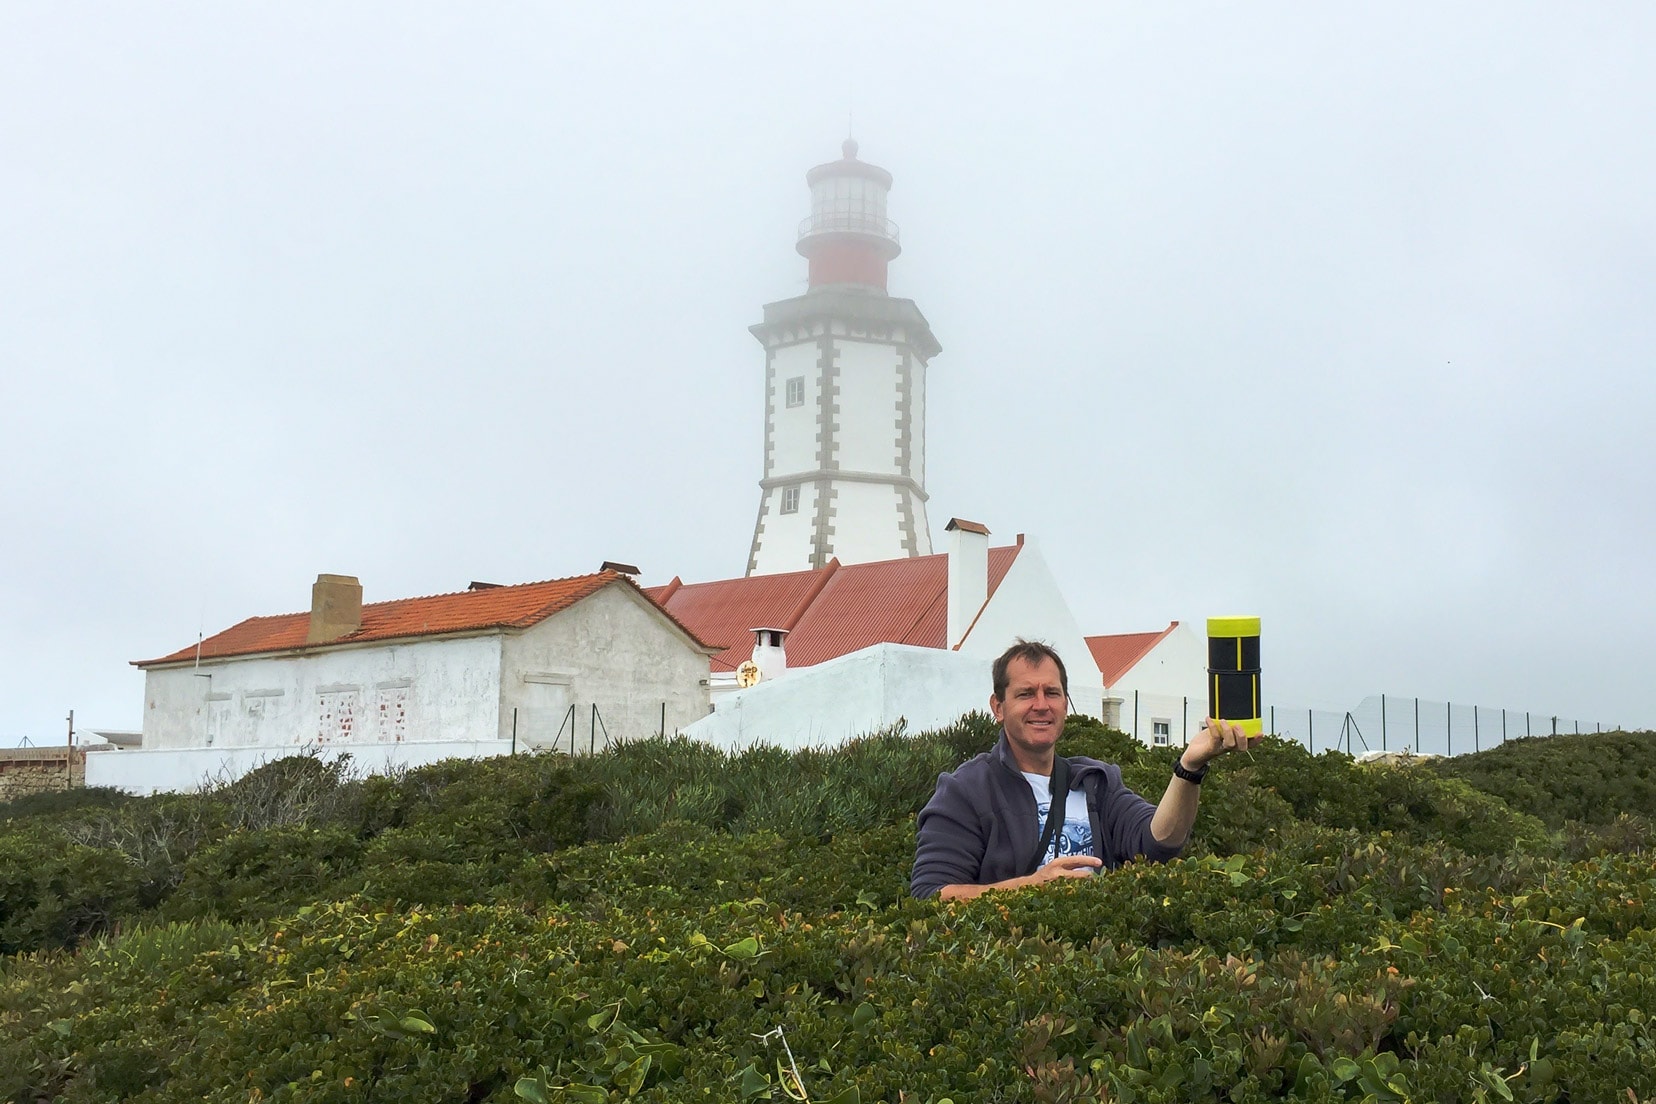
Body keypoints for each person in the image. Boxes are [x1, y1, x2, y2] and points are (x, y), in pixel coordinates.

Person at [910, 640, 1258, 900]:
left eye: (1052, 692)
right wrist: (1031, 887)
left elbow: (1159, 841)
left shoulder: (1095, 782)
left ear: (1065, 703)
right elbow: (930, 895)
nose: (1041, 705)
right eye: (1026, 694)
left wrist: (1189, 767)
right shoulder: (964, 791)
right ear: (998, 707)